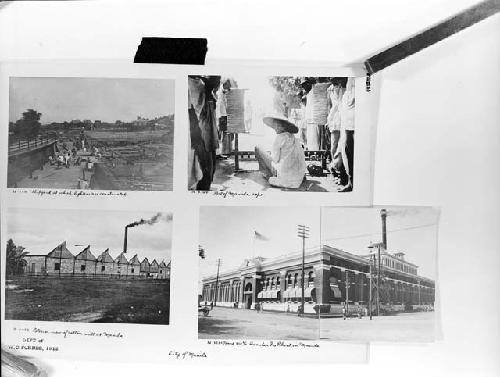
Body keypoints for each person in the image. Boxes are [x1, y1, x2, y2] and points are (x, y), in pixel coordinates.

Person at [254, 116, 306, 189]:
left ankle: (267, 174)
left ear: (283, 127)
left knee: (258, 148)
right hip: (297, 176)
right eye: (275, 125)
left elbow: (275, 159)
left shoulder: (280, 137)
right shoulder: (293, 137)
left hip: (283, 174)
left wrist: (268, 155)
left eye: (278, 125)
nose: (275, 127)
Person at [338, 77, 355, 192]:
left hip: (354, 127)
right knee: (348, 155)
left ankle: (351, 183)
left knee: (352, 156)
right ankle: (350, 182)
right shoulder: (346, 93)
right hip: (348, 127)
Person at [326, 77, 345, 166]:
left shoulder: (344, 87)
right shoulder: (329, 89)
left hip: (344, 118)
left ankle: (341, 167)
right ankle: (335, 166)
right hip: (334, 119)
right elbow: (329, 105)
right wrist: (328, 119)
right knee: (334, 145)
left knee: (343, 145)